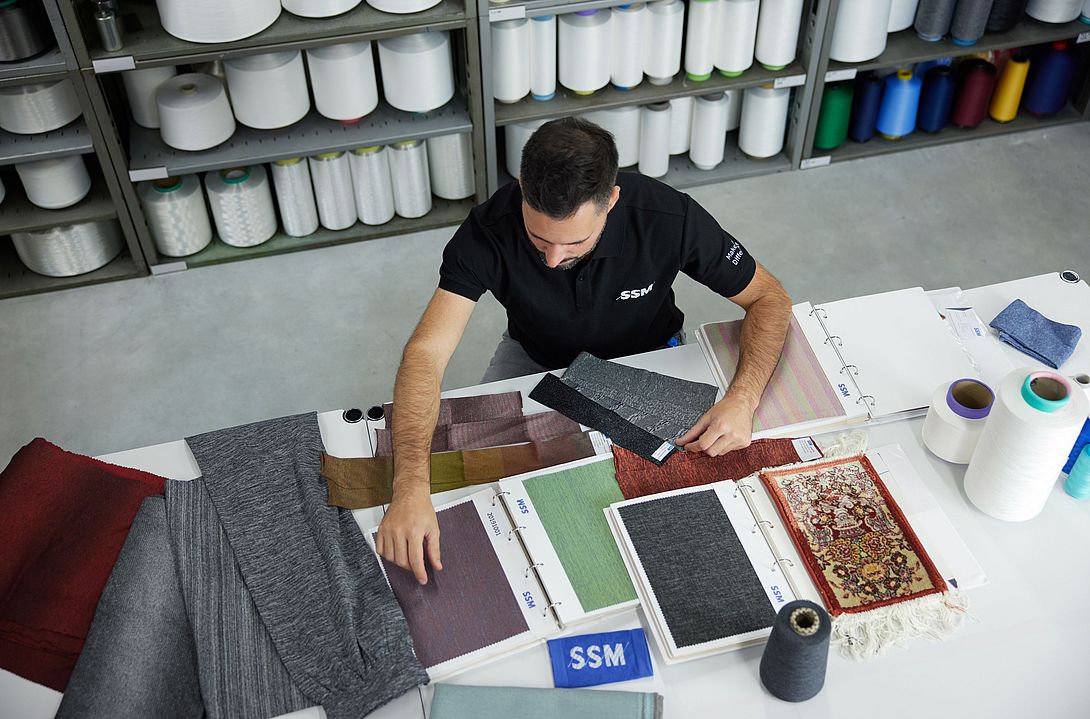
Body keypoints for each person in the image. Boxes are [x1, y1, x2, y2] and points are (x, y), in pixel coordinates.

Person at [375, 117, 791, 585]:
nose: (552, 258)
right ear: (521, 192)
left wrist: (743, 399)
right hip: (534, 357)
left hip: (647, 356)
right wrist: (409, 486)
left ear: (610, 201)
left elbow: (769, 298)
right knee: (481, 480)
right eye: (538, 239)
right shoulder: (488, 229)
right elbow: (426, 353)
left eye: (573, 241)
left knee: (663, 495)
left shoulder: (668, 217)